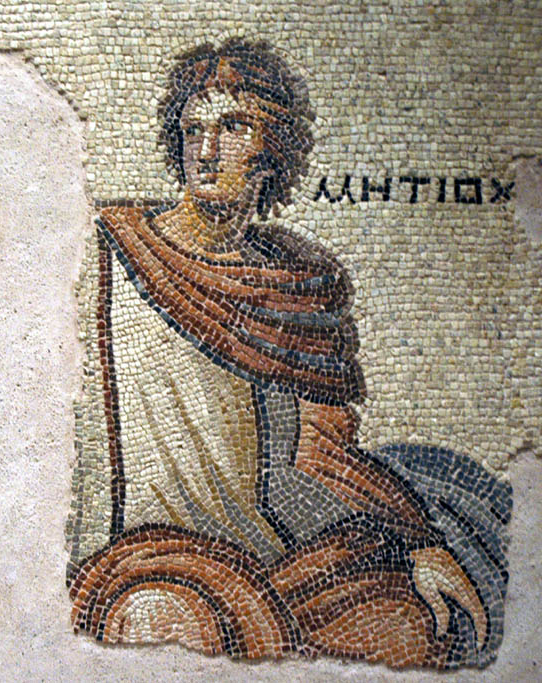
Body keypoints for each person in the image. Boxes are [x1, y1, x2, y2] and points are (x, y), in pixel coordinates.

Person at [66, 39, 510, 668]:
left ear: (270, 149)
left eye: (232, 127)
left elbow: (324, 455)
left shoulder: (299, 283)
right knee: (168, 626)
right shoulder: (107, 246)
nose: (206, 151)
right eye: (192, 130)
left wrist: (421, 540)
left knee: (406, 628)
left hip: (271, 560)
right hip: (148, 560)